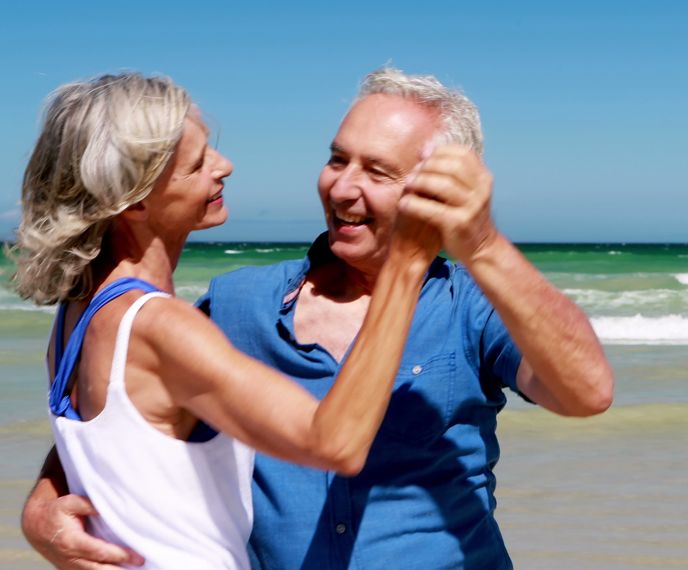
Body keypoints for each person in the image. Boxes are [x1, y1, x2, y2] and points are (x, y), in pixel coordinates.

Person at [22, 67, 615, 569]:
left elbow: (587, 392)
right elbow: (128, 410)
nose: (343, 188)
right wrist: (46, 503)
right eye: (337, 160)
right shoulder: (234, 304)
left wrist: (482, 244)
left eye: (377, 172)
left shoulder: (472, 306)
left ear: (439, 189)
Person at [13, 72, 441, 569]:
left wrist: (40, 505)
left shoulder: (78, 314)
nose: (225, 166)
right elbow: (335, 443)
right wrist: (408, 267)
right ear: (134, 201)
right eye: (197, 165)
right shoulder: (161, 327)